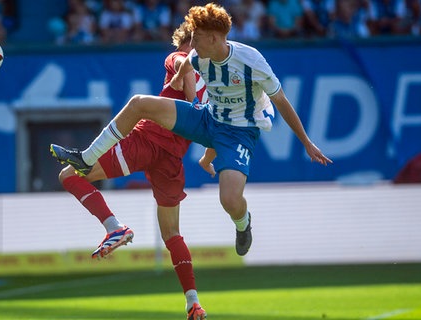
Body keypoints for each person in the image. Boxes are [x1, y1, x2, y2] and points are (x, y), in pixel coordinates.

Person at [51, 0, 330, 297]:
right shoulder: (197, 55)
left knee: (230, 200)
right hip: (206, 120)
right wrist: (184, 88)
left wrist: (307, 142)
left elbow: (282, 102)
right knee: (139, 104)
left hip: (237, 133)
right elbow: (186, 67)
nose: (191, 43)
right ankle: (87, 157)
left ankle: (242, 222)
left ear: (214, 37)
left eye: (196, 37)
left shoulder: (251, 61)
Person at [51, 21, 208, 320]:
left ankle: (114, 227)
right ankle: (193, 302)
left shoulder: (180, 59)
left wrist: (194, 98)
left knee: (68, 175)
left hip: (147, 141)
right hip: (172, 157)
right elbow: (187, 71)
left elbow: (182, 65)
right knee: (172, 233)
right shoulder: (202, 71)